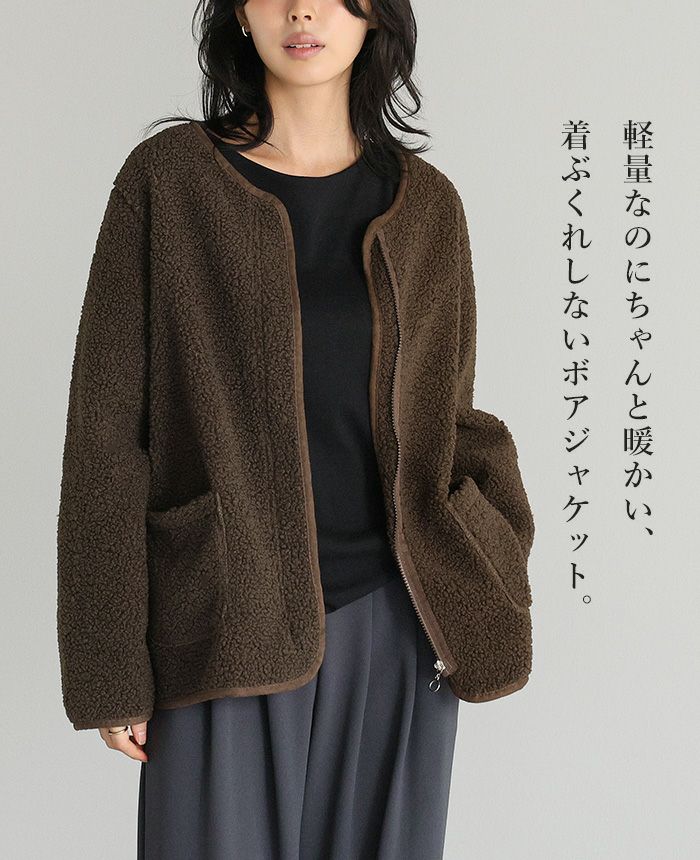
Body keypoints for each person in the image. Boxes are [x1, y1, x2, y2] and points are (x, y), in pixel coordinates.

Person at [57, 1, 536, 858]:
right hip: (222, 621)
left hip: (397, 626)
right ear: (240, 14)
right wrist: (110, 662)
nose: (303, 9)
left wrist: (490, 558)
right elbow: (105, 437)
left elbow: (452, 420)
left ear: (374, 16)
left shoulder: (427, 207)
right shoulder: (169, 183)